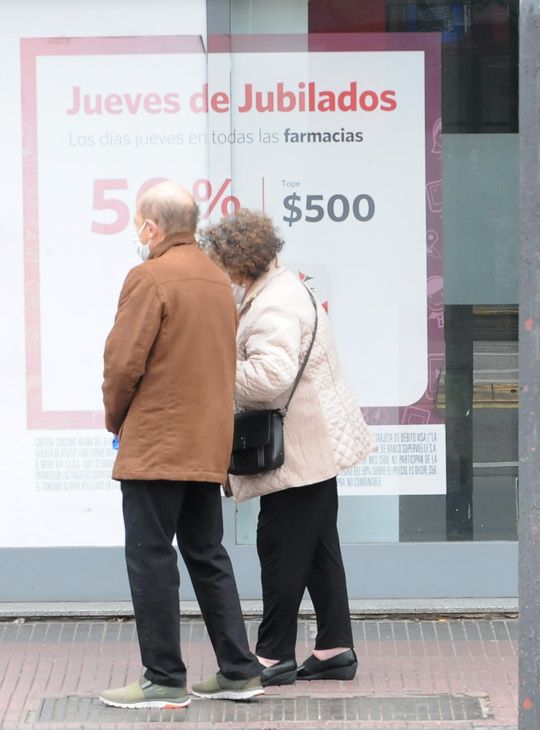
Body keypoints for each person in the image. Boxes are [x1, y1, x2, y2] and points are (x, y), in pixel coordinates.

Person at [99, 182, 262, 709]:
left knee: (150, 557)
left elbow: (123, 365)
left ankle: (164, 677)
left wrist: (115, 419)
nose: (136, 235)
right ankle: (239, 669)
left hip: (157, 444)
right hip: (205, 444)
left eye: (138, 225)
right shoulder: (219, 281)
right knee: (207, 554)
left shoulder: (148, 278)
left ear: (152, 227)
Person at [200, 210, 376, 684]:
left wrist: (215, 368)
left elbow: (271, 379)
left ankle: (273, 653)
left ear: (237, 262)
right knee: (318, 549)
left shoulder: (272, 306)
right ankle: (334, 647)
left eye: (220, 262)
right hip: (317, 441)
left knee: (279, 546)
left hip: (300, 447)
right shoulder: (285, 287)